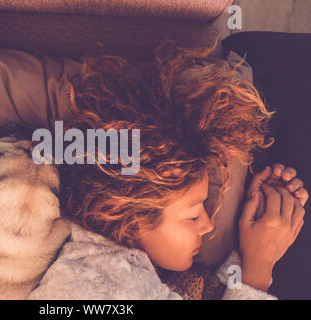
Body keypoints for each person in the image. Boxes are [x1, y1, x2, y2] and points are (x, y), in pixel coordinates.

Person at [27, 41, 309, 300]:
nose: (209, 225)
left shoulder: (104, 277)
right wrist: (259, 266)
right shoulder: (95, 288)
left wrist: (253, 251)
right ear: (130, 218)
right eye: (193, 214)